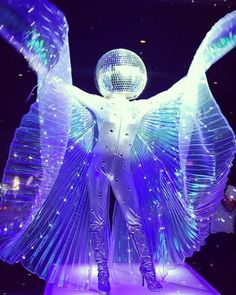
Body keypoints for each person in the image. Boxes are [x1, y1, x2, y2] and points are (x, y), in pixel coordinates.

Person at [0, 1, 235, 294]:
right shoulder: (100, 104)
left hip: (120, 167)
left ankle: (147, 274)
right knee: (97, 221)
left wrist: (201, 66)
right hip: (97, 167)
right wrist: (40, 65)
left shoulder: (141, 107)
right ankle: (103, 276)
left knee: (134, 219)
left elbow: (175, 92)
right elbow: (66, 88)